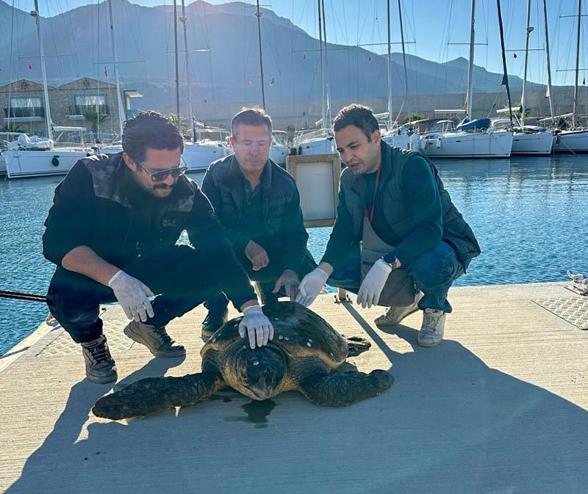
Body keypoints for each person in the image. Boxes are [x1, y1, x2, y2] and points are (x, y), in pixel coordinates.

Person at [43, 111, 274, 384]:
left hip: (148, 266)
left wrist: (250, 308)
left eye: (176, 169)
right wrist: (116, 279)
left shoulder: (186, 192)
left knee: (213, 264)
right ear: (130, 161)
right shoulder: (90, 176)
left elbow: (217, 249)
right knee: (62, 296)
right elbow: (57, 242)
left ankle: (150, 324)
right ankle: (93, 342)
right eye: (159, 173)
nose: (169, 180)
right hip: (95, 272)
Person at [296, 104, 480, 347]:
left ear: (375, 137)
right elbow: (344, 233)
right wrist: (322, 271)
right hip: (393, 248)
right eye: (341, 150)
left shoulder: (412, 166)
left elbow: (430, 230)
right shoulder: (350, 179)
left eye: (353, 146)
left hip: (441, 246)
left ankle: (434, 306)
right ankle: (406, 301)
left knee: (433, 262)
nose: (347, 157)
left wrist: (385, 265)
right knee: (336, 271)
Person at [200, 107, 316, 337]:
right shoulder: (216, 175)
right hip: (231, 254)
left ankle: (273, 301)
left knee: (308, 272)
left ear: (271, 143)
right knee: (203, 258)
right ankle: (216, 308)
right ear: (232, 143)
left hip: (271, 255)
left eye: (261, 144)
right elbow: (206, 226)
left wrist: (291, 269)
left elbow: (296, 234)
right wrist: (246, 245)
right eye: (246, 143)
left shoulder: (285, 184)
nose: (254, 151)